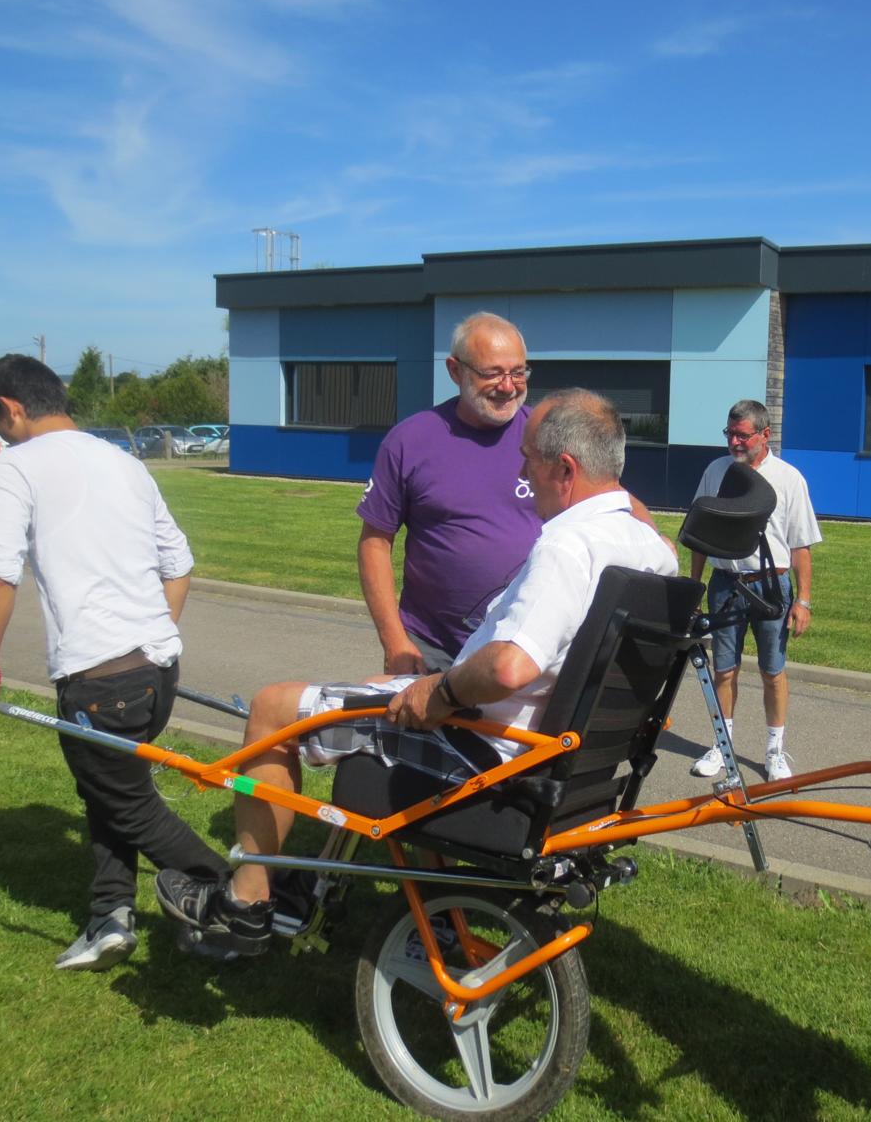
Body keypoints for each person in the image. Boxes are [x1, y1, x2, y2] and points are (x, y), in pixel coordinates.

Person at [156, 389, 678, 957]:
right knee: (376, 694)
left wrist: (440, 689)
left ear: (566, 469)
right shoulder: (652, 550)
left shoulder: (567, 546)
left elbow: (509, 665)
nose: (521, 472)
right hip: (561, 759)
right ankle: (426, 911)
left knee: (273, 708)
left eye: (528, 458)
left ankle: (247, 904)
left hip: (486, 750)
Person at [0, 355, 229, 971]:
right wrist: (149, 635)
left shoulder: (16, 466)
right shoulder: (124, 462)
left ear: (11, 409)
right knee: (106, 791)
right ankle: (110, 916)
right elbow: (178, 565)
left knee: (128, 804)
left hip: (102, 679)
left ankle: (238, 895)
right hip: (158, 672)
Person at [356, 311, 540, 674]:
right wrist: (395, 643)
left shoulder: (544, 436)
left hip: (522, 648)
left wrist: (652, 537)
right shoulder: (410, 440)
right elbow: (375, 543)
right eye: (492, 373)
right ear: (455, 371)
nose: (508, 385)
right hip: (431, 648)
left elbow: (606, 499)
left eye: (518, 372)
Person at [687, 399, 821, 783]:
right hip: (726, 583)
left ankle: (775, 751)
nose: (734, 443)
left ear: (765, 435)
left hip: (771, 585)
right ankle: (722, 745)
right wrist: (695, 587)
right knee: (723, 670)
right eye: (729, 434)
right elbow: (699, 535)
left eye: (742, 435)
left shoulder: (789, 478)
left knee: (771, 671)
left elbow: (801, 545)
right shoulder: (716, 472)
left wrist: (803, 600)